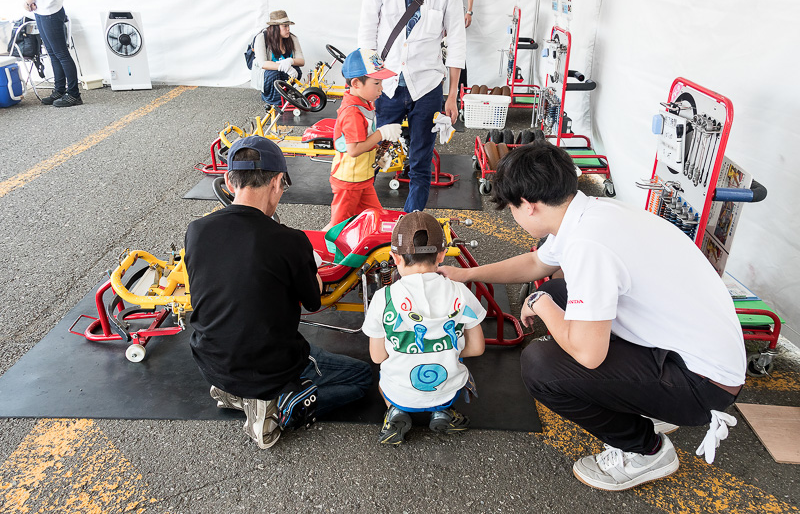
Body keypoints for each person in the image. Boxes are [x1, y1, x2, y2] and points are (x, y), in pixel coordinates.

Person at [438, 141, 746, 490]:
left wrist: (539, 302)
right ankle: (648, 403)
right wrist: (465, 275)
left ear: (530, 206)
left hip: (702, 385)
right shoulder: (589, 213)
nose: (512, 214)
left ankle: (647, 450)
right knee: (558, 293)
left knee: (542, 365)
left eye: (511, 207)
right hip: (690, 351)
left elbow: (588, 354)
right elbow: (537, 263)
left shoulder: (588, 244)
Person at [184, 136, 373, 449]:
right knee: (361, 377)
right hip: (271, 367)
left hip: (209, 360)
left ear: (231, 182)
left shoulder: (197, 230)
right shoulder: (289, 241)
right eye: (283, 187)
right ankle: (281, 403)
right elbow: (314, 301)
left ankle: (234, 393)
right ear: (275, 182)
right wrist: (309, 267)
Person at [362, 211, 486, 445]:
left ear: (395, 258)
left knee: (383, 379)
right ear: (441, 255)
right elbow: (477, 348)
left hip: (398, 391)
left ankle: (394, 413)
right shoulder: (460, 292)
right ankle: (443, 412)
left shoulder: (384, 297)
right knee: (453, 373)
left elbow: (377, 356)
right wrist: (449, 350)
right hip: (447, 387)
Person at [358, 0, 466, 213]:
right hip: (387, 85)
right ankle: (363, 218)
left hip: (427, 86)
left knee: (420, 161)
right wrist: (370, 85)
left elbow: (456, 38)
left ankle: (410, 222)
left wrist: (453, 94)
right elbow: (367, 32)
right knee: (376, 155)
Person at [325, 48, 402, 230]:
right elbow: (353, 150)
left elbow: (365, 140)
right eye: (376, 83)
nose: (381, 88)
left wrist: (379, 152)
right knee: (337, 228)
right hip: (349, 183)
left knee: (376, 220)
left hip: (361, 179)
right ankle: (324, 256)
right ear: (356, 83)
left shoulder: (363, 104)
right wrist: (382, 134)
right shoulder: (352, 111)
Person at [23, 0, 82, 107]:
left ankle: (74, 94)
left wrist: (27, 2)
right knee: (53, 53)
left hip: (50, 11)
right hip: (40, 10)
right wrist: (29, 1)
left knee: (61, 54)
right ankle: (59, 90)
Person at [253, 10, 305, 107]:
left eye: (288, 26)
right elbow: (263, 64)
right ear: (275, 28)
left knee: (297, 70)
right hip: (268, 75)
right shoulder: (262, 38)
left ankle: (288, 94)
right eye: (285, 26)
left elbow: (301, 61)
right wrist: (284, 67)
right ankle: (273, 100)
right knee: (274, 74)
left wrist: (290, 61)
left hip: (283, 74)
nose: (288, 29)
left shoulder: (292, 39)